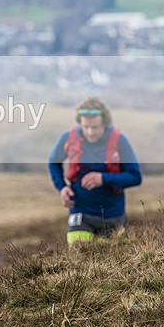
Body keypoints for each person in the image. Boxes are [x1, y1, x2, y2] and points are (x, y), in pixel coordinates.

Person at [48, 96, 142, 244]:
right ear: (80, 123)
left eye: (95, 127)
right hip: (80, 215)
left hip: (114, 217)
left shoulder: (119, 140)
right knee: (79, 257)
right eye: (85, 127)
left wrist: (103, 178)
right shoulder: (68, 138)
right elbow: (53, 162)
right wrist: (62, 187)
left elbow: (135, 176)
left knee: (115, 258)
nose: (90, 132)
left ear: (105, 123)